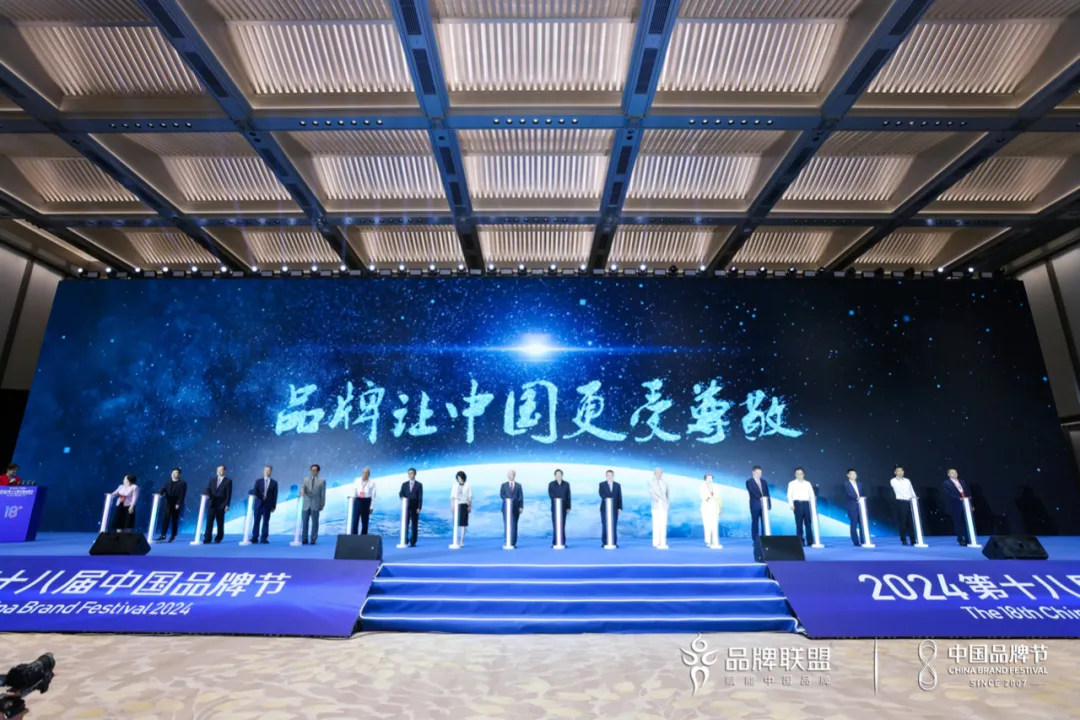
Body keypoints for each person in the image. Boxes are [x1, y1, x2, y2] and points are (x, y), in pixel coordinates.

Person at [942, 468, 974, 545]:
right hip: (955, 504)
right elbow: (948, 494)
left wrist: (971, 504)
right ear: (948, 474)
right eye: (952, 472)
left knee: (966, 521)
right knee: (958, 522)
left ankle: (968, 538)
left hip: (965, 504)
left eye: (955, 472)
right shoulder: (946, 483)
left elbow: (968, 493)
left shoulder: (962, 481)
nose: (955, 474)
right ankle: (960, 539)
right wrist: (959, 498)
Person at [155, 468, 186, 542]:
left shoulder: (182, 483)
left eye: (176, 473)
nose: (174, 474)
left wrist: (178, 503)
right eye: (173, 473)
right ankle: (163, 535)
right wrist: (160, 494)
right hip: (168, 503)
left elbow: (182, 494)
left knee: (174, 520)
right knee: (165, 519)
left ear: (179, 474)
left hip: (176, 503)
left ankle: (173, 535)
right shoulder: (168, 482)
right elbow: (164, 489)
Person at [204, 465, 232, 544]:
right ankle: (207, 538)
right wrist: (207, 494)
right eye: (218, 470)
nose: (219, 472)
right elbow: (208, 489)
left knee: (220, 522)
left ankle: (219, 538)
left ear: (225, 471)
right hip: (211, 504)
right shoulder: (212, 480)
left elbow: (228, 493)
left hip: (221, 505)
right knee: (209, 522)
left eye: (221, 470)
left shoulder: (228, 481)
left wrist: (227, 504)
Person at [787, 467, 814, 547]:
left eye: (801, 474)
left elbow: (811, 495)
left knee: (808, 523)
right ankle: (800, 541)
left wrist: (812, 505)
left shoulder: (807, 483)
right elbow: (789, 495)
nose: (799, 475)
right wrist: (791, 505)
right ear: (795, 475)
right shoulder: (791, 483)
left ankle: (810, 540)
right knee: (799, 523)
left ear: (803, 474)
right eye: (797, 474)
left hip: (806, 504)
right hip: (797, 504)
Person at [889, 465, 917, 546]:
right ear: (895, 472)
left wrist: (914, 499)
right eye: (898, 471)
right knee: (903, 522)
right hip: (901, 502)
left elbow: (911, 490)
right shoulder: (893, 481)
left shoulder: (907, 480)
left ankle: (913, 539)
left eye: (902, 471)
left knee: (911, 522)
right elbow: (900, 490)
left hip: (910, 502)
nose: (900, 472)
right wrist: (908, 497)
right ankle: (903, 539)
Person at [251, 465, 277, 544]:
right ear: (263, 471)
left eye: (268, 470)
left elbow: (275, 495)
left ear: (271, 471)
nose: (266, 472)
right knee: (256, 521)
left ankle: (264, 538)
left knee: (266, 522)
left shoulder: (274, 483)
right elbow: (255, 492)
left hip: (267, 505)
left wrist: (273, 506)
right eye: (265, 470)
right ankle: (254, 537)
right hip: (258, 504)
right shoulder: (258, 481)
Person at [300, 464, 326, 545]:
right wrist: (302, 492)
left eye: (314, 470)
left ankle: (313, 539)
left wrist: (322, 504)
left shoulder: (322, 481)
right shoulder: (305, 479)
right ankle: (304, 539)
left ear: (318, 471)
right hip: (305, 504)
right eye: (311, 470)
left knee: (315, 523)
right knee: (304, 523)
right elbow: (302, 487)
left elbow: (323, 494)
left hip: (315, 504)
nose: (313, 471)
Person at [746, 465, 771, 543]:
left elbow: (767, 493)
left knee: (764, 522)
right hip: (755, 505)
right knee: (755, 522)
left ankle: (764, 539)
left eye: (760, 473)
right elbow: (752, 492)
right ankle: (755, 540)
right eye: (757, 472)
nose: (759, 474)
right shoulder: (749, 482)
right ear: (753, 472)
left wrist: (768, 504)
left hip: (764, 505)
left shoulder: (764, 481)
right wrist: (761, 498)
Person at [399, 468, 423, 547]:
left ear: (415, 474)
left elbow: (420, 497)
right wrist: (402, 498)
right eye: (409, 473)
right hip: (406, 506)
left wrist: (419, 507)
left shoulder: (419, 485)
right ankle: (405, 539)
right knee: (405, 523)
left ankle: (413, 540)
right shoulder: (404, 484)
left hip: (415, 507)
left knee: (414, 524)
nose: (410, 474)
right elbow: (401, 493)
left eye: (412, 473)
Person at [500, 470, 524, 548]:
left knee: (514, 525)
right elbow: (502, 494)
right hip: (506, 508)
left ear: (514, 475)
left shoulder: (518, 485)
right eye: (509, 474)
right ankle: (507, 541)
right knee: (506, 524)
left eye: (512, 474)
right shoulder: (504, 485)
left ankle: (513, 542)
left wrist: (521, 507)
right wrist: (508, 500)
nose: (510, 475)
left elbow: (521, 497)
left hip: (515, 508)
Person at [598, 469, 622, 547]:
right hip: (604, 509)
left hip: (614, 509)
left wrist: (619, 508)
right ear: (606, 476)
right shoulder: (602, 484)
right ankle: (605, 542)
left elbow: (619, 497)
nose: (609, 477)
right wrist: (607, 499)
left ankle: (614, 542)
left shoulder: (617, 485)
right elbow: (601, 493)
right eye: (608, 475)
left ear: (613, 476)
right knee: (605, 525)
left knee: (614, 525)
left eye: (611, 475)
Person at [548, 469, 571, 548]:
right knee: (555, 525)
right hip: (555, 508)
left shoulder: (566, 484)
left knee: (562, 525)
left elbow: (568, 496)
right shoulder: (551, 484)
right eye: (557, 474)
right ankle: (555, 542)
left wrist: (568, 507)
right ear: (555, 475)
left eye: (560, 474)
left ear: (562, 475)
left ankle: (562, 542)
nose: (558, 475)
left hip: (564, 508)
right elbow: (551, 495)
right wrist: (557, 499)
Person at [700, 473, 722, 548]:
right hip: (706, 507)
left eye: (711, 478)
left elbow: (718, 497)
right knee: (707, 524)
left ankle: (715, 541)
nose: (710, 479)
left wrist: (720, 509)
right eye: (708, 478)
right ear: (705, 479)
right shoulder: (702, 486)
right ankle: (708, 541)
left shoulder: (716, 486)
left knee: (715, 525)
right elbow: (702, 496)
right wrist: (708, 498)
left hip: (714, 507)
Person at [648, 468, 669, 548]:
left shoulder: (665, 483)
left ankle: (663, 541)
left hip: (664, 506)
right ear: (655, 474)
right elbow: (652, 493)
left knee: (663, 524)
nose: (659, 475)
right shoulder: (651, 482)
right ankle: (656, 542)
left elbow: (667, 494)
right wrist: (659, 499)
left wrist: (667, 504)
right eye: (658, 473)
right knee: (656, 524)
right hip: (656, 505)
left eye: (661, 473)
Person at [844, 469, 866, 546]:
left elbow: (863, 493)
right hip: (852, 506)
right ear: (848, 475)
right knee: (854, 523)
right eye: (852, 474)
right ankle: (855, 541)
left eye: (855, 474)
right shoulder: (846, 484)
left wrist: (862, 499)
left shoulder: (860, 484)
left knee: (862, 523)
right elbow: (849, 493)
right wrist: (857, 498)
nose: (853, 475)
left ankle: (863, 539)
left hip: (861, 506)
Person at [351, 467, 375, 535]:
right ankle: (354, 536)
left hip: (367, 501)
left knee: (365, 521)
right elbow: (354, 490)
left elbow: (373, 495)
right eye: (364, 472)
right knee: (355, 519)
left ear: (369, 474)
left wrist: (371, 507)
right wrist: (353, 499)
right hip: (358, 500)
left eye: (367, 473)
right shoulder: (357, 480)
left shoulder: (372, 482)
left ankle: (364, 536)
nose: (365, 474)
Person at [452, 471, 471, 546]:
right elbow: (452, 496)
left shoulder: (468, 485)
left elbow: (470, 496)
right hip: (457, 505)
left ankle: (462, 540)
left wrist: (469, 506)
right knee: (456, 523)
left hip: (464, 505)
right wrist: (452, 506)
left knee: (463, 524)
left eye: (460, 478)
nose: (459, 480)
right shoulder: (455, 485)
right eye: (458, 478)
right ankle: (455, 539)